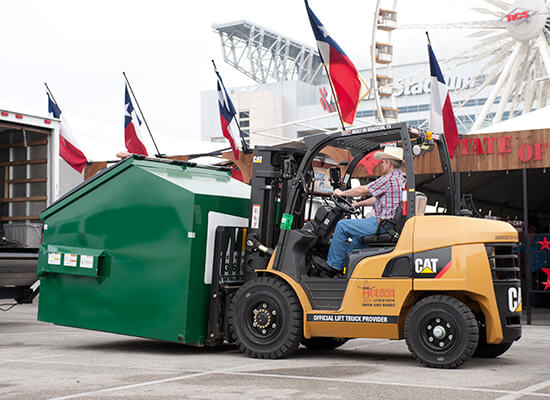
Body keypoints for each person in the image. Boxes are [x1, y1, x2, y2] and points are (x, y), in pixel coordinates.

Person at [313, 146, 405, 277]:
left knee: (342, 226)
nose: (382, 164)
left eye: (383, 162)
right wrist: (357, 205)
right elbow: (377, 199)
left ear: (389, 163)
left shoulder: (389, 179)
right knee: (358, 237)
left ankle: (333, 266)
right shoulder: (400, 178)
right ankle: (348, 270)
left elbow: (363, 190)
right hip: (388, 223)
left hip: (382, 224)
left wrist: (341, 193)